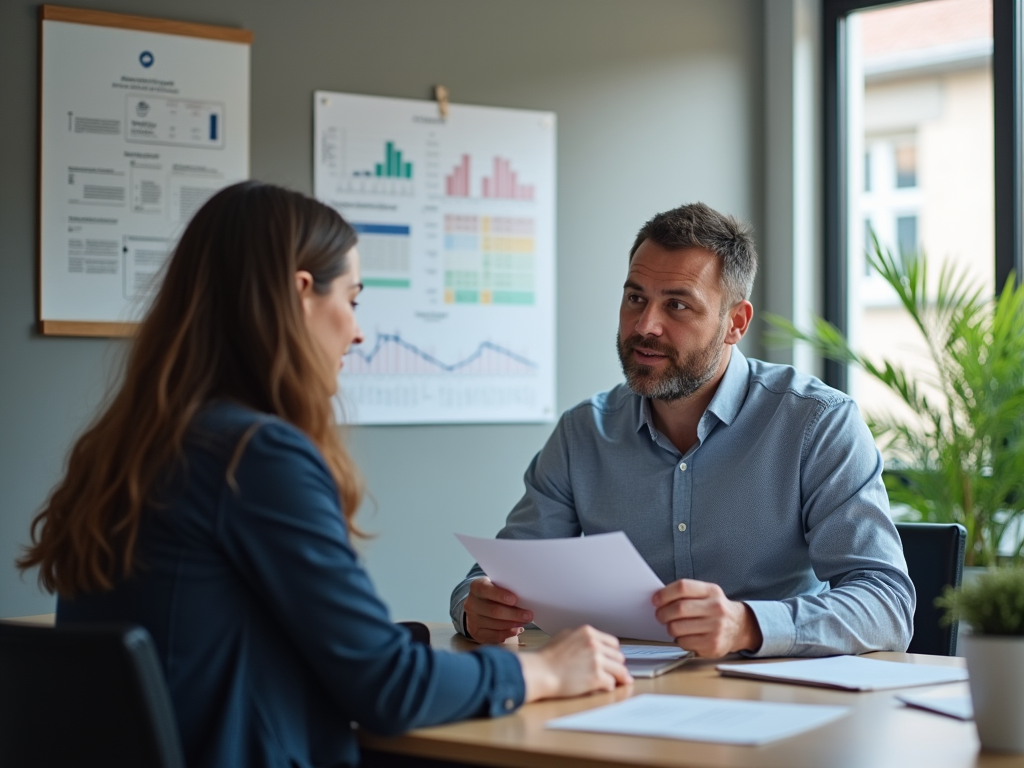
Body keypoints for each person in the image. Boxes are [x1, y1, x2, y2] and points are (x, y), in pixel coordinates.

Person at [17, 181, 631, 768]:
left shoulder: (130, 447)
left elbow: (229, 636)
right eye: (353, 299)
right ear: (301, 293)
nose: (359, 330)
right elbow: (386, 688)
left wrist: (394, 647)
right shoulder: (254, 456)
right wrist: (546, 670)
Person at [451, 202, 916, 659]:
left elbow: (887, 603)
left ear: (735, 322)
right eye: (636, 298)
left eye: (677, 305)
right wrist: (476, 609)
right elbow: (498, 574)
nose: (645, 325)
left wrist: (748, 625)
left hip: (773, 706)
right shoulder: (583, 432)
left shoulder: (817, 422)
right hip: (619, 703)